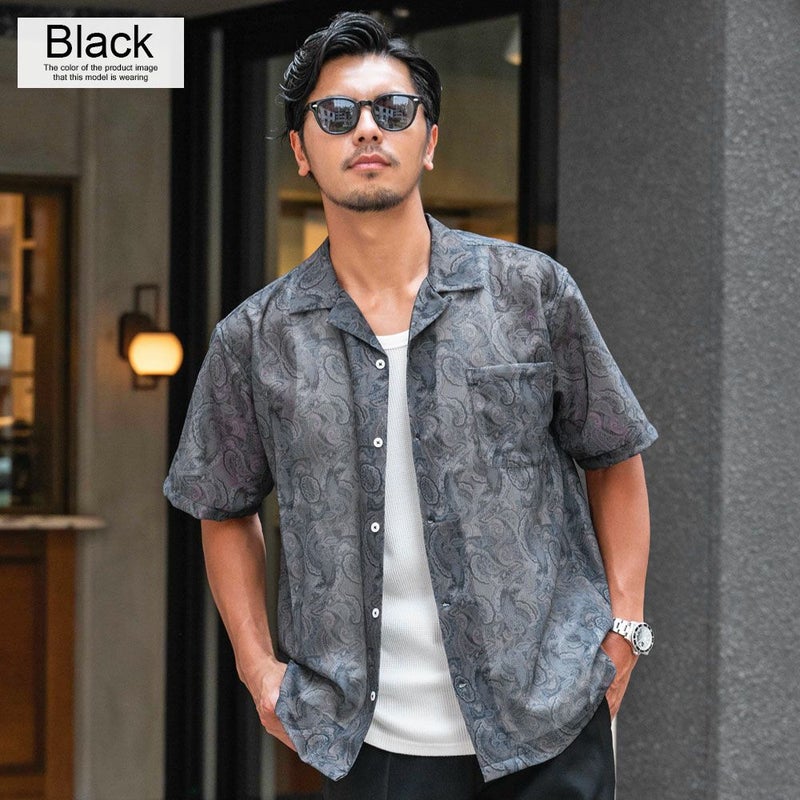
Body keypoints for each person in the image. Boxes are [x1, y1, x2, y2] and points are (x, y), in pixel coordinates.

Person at [164, 11, 657, 799]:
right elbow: (221, 506)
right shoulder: (256, 338)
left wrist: (624, 630)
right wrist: (258, 670)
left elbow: (614, 454)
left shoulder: (529, 291)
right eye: (336, 114)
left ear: (428, 140)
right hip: (374, 747)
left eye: (393, 110)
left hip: (550, 725)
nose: (367, 129)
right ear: (301, 151)